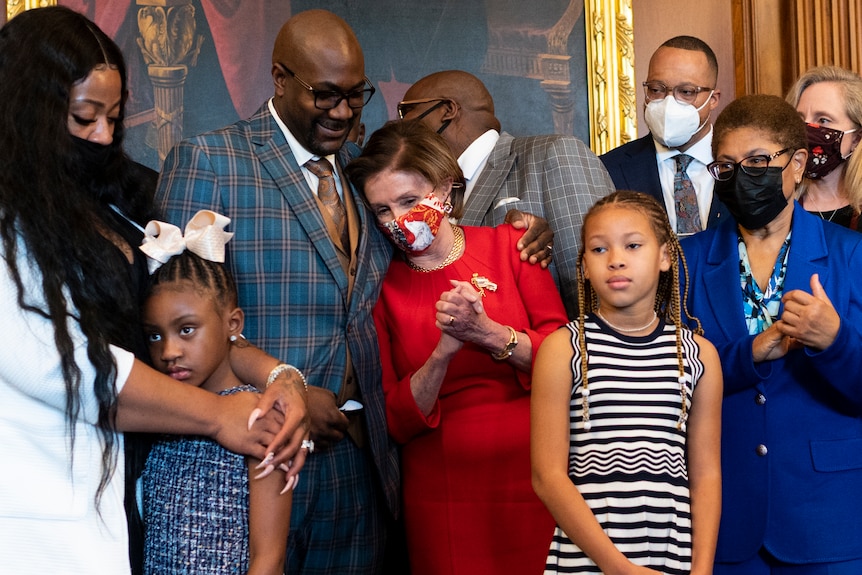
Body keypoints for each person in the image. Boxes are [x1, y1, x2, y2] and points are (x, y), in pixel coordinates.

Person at [0, 7, 307, 575]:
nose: (104, 135)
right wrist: (217, 416)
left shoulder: (125, 198)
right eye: (84, 116)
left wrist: (279, 377)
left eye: (114, 117)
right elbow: (61, 365)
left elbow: (192, 314)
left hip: (137, 477)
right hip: (37, 503)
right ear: (28, 113)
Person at [156, 9, 400, 574]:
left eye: (355, 94)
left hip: (361, 468)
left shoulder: (361, 177)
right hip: (256, 462)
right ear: (280, 77)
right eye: (325, 94)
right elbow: (181, 326)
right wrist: (281, 386)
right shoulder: (210, 161)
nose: (342, 111)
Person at [345, 120, 569, 574]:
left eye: (409, 201)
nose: (398, 222)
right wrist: (445, 350)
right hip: (441, 489)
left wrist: (487, 334)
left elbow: (565, 359)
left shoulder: (513, 246)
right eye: (382, 210)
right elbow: (395, 417)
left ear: (446, 186)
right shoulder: (380, 288)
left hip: (536, 473)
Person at [682, 94, 862, 573]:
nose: (743, 176)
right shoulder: (686, 260)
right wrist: (747, 354)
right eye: (726, 166)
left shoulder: (852, 255)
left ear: (797, 162)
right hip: (723, 518)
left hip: (828, 518)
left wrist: (835, 342)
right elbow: (663, 381)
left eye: (759, 161)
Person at [531, 191, 722, 575]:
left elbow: (706, 475)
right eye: (599, 250)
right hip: (586, 564)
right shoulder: (563, 349)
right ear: (583, 265)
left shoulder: (698, 355)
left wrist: (701, 570)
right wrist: (618, 567)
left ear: (665, 256)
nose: (615, 259)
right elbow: (547, 475)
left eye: (632, 245)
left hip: (672, 559)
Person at [139, 211, 293, 575]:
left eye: (187, 330)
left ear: (232, 324)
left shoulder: (260, 420)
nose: (169, 351)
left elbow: (268, 558)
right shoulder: (160, 416)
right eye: (155, 335)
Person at [399, 69, 613, 317]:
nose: (401, 123)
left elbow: (596, 280)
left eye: (406, 111)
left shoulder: (553, 153)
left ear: (447, 110)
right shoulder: (425, 192)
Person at [601, 36, 727, 236]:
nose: (669, 102)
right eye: (656, 89)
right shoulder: (607, 169)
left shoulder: (743, 165)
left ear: (713, 99)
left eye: (686, 92)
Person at [786, 65, 862, 230]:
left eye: (823, 120)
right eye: (800, 119)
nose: (807, 128)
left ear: (856, 138)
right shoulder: (777, 207)